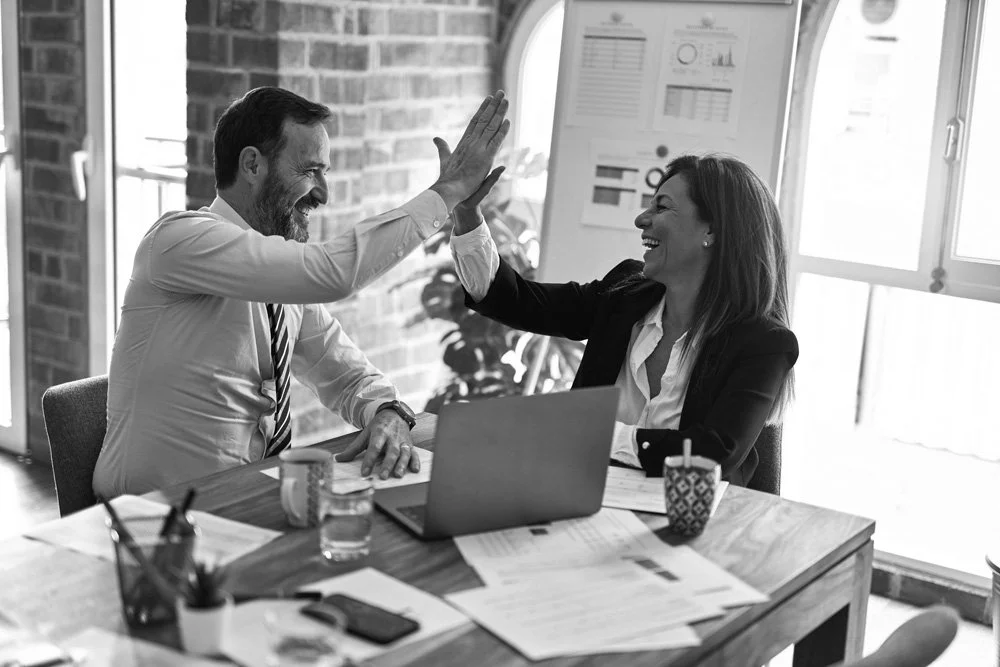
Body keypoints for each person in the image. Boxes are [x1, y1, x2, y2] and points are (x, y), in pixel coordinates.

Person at [93, 87, 509, 497]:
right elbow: (334, 273)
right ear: (252, 165)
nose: (323, 194)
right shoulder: (179, 240)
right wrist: (448, 191)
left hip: (244, 502)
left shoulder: (279, 280)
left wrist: (388, 410)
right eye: (310, 171)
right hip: (151, 520)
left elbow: (346, 374)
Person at [449, 153, 797, 487]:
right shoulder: (625, 294)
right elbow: (517, 301)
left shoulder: (763, 343)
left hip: (690, 528)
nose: (641, 219)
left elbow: (713, 453)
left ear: (712, 231)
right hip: (582, 500)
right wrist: (466, 214)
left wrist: (594, 434)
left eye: (661, 207)